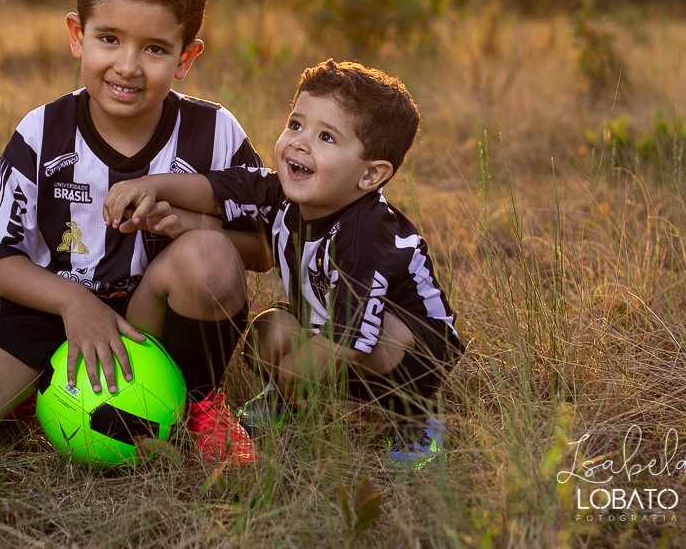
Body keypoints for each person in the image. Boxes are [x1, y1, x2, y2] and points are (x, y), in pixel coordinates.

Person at [0, 0, 270, 467]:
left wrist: (194, 224)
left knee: (209, 257)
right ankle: (51, 393)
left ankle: (199, 404)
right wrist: (73, 303)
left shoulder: (214, 132)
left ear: (185, 58)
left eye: (154, 48)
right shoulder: (43, 131)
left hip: (155, 317)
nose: (127, 66)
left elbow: (264, 248)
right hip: (52, 309)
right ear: (78, 36)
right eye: (109, 38)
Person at [102, 59, 464, 470]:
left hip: (411, 354)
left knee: (382, 340)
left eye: (326, 137)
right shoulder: (281, 194)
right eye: (296, 124)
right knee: (268, 332)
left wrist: (296, 372)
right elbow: (217, 188)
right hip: (330, 329)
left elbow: (351, 337)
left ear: (370, 175)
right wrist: (154, 189)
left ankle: (415, 417)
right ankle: (292, 401)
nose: (299, 143)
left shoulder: (368, 238)